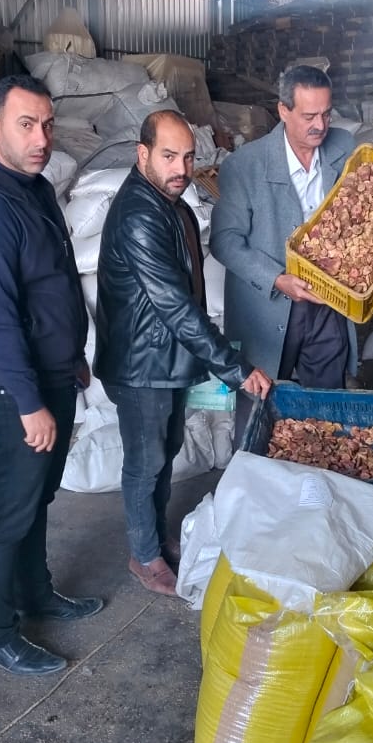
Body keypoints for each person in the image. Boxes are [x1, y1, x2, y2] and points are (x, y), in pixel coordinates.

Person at [0, 74, 102, 677]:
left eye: (47, 125)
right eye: (26, 125)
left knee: (35, 500)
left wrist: (70, 356)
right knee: (6, 514)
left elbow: (51, 285)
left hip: (46, 377)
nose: (41, 139)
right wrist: (30, 402)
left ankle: (36, 594)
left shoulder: (34, 189)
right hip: (5, 390)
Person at [95, 109, 272, 596]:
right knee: (146, 461)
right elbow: (174, 305)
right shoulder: (138, 215)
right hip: (141, 365)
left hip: (164, 359)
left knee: (165, 452)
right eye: (169, 156)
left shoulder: (173, 204)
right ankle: (144, 555)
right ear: (143, 154)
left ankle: (154, 538)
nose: (181, 169)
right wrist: (234, 367)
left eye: (188, 157)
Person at [210, 65, 357, 392]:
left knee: (327, 401)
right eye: (309, 116)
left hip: (327, 303)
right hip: (269, 306)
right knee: (262, 401)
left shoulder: (343, 147)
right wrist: (277, 279)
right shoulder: (245, 166)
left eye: (326, 114)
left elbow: (369, 191)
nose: (320, 125)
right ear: (283, 111)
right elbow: (224, 241)